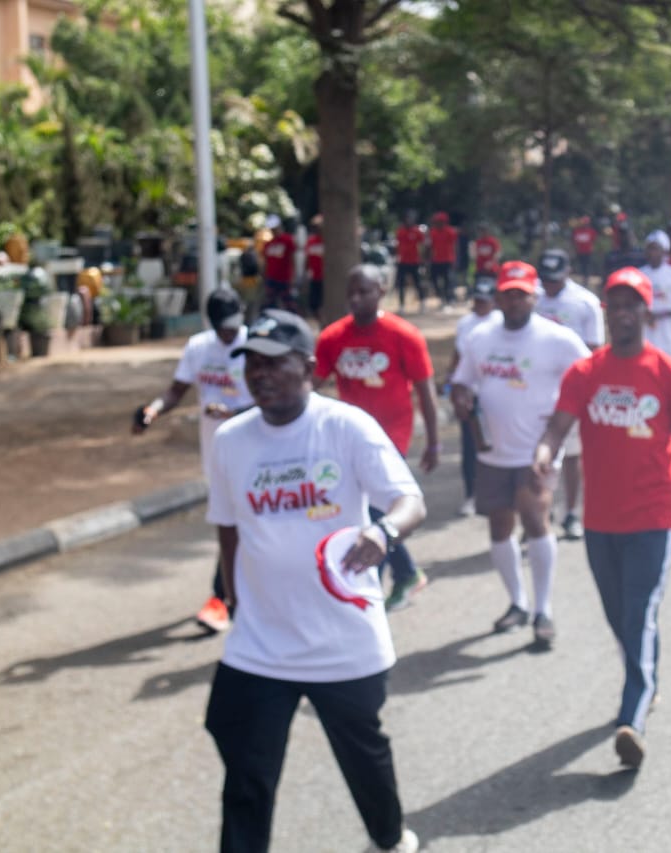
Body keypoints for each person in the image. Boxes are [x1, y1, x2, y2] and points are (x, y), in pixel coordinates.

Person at [204, 309, 424, 853]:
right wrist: (232, 593)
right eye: (251, 363)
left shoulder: (345, 426)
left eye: (274, 363)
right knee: (246, 775)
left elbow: (409, 500)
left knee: (362, 757)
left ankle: (390, 838)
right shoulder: (231, 440)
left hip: (342, 637)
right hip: (262, 643)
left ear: (307, 367)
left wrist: (385, 533)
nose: (260, 374)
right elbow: (229, 530)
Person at [533, 266, 671, 770]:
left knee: (639, 614)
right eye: (613, 305)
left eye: (630, 304)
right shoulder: (586, 373)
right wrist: (546, 452)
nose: (621, 313)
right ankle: (646, 678)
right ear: (606, 314)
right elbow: (558, 427)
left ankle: (631, 719)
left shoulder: (670, 373)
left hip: (653, 518)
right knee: (622, 618)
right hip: (600, 522)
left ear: (646, 311)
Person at [450, 261, 590, 647]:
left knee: (534, 518)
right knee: (499, 527)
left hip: (537, 448)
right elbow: (463, 380)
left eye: (521, 294)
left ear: (534, 296)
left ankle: (543, 609)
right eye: (507, 293)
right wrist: (461, 397)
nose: (513, 301)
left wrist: (566, 422)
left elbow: (589, 374)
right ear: (497, 296)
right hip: (493, 450)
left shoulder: (556, 339)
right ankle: (518, 602)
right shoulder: (480, 336)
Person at [314, 265, 440, 611]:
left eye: (364, 292)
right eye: (351, 293)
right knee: (368, 510)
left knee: (375, 509)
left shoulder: (403, 335)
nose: (356, 299)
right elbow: (309, 385)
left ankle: (367, 592)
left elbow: (426, 392)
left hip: (392, 436)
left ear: (381, 291)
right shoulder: (333, 338)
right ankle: (408, 574)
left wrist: (432, 441)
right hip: (347, 439)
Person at [132, 289, 255, 633]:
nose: (230, 334)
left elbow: (272, 402)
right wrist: (152, 411)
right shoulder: (200, 347)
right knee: (235, 522)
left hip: (253, 450)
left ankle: (221, 598)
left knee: (235, 522)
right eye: (223, 329)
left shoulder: (255, 346)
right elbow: (175, 391)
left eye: (234, 326)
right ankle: (237, 595)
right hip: (215, 451)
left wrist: (232, 411)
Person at [535, 248, 606, 539]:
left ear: (568, 272)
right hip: (536, 389)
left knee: (573, 455)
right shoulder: (532, 297)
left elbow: (595, 350)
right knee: (541, 453)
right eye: (545, 279)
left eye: (555, 279)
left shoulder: (585, 303)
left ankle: (571, 512)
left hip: (573, 390)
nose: (549, 285)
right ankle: (541, 512)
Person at [444, 276, 501, 517]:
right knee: (470, 447)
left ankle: (496, 494)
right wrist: (450, 380)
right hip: (470, 393)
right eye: (477, 300)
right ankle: (471, 495)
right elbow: (458, 354)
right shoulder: (466, 323)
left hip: (496, 393)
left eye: (485, 301)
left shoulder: (500, 322)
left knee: (498, 445)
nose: (480, 305)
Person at [639, 230, 671, 361]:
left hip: (669, 336)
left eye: (656, 249)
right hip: (646, 334)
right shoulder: (639, 274)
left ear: (664, 251)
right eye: (649, 249)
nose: (652, 253)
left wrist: (659, 315)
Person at [261, 214, 297, 313]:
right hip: (271, 278)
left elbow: (292, 259)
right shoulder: (268, 244)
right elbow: (266, 262)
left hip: (284, 278)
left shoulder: (287, 240)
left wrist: (293, 277)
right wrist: (264, 277)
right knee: (270, 304)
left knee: (289, 304)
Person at [394, 211, 427, 313]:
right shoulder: (401, 231)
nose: (409, 220)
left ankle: (422, 303)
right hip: (403, 261)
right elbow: (397, 245)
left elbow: (422, 246)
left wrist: (422, 259)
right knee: (401, 284)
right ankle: (402, 305)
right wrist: (397, 257)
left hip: (414, 261)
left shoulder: (417, 231)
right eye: (407, 218)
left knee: (418, 283)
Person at [428, 212, 458, 309]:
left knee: (448, 281)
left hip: (447, 260)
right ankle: (441, 298)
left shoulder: (450, 231)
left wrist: (455, 259)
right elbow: (430, 247)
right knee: (434, 280)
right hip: (436, 260)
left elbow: (455, 246)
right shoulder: (432, 232)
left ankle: (449, 299)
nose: (437, 223)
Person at [303, 215, 325, 323]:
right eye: (315, 227)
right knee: (313, 304)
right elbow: (307, 259)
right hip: (315, 277)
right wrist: (306, 272)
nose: (317, 229)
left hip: (326, 279)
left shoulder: (328, 242)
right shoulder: (311, 242)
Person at [571, 216, 598, 283]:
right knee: (580, 265)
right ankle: (580, 278)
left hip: (588, 251)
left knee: (586, 265)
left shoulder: (591, 231)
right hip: (579, 251)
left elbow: (594, 241)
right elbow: (574, 241)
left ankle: (586, 278)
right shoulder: (577, 231)